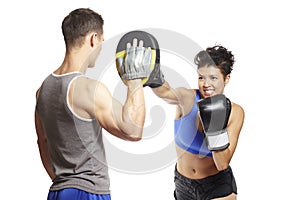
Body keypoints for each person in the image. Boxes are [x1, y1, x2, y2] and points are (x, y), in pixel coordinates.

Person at [34, 8, 150, 200]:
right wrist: (135, 81)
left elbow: (43, 141)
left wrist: (64, 183)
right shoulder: (89, 89)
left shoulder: (42, 90)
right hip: (87, 192)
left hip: (57, 192)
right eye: (102, 40)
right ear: (93, 38)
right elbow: (133, 131)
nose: (101, 46)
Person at [150, 45, 244, 200]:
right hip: (183, 184)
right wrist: (152, 76)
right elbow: (166, 92)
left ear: (226, 79)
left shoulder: (235, 112)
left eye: (213, 78)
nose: (206, 84)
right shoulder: (188, 98)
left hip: (217, 186)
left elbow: (222, 164)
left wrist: (214, 126)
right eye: (201, 77)